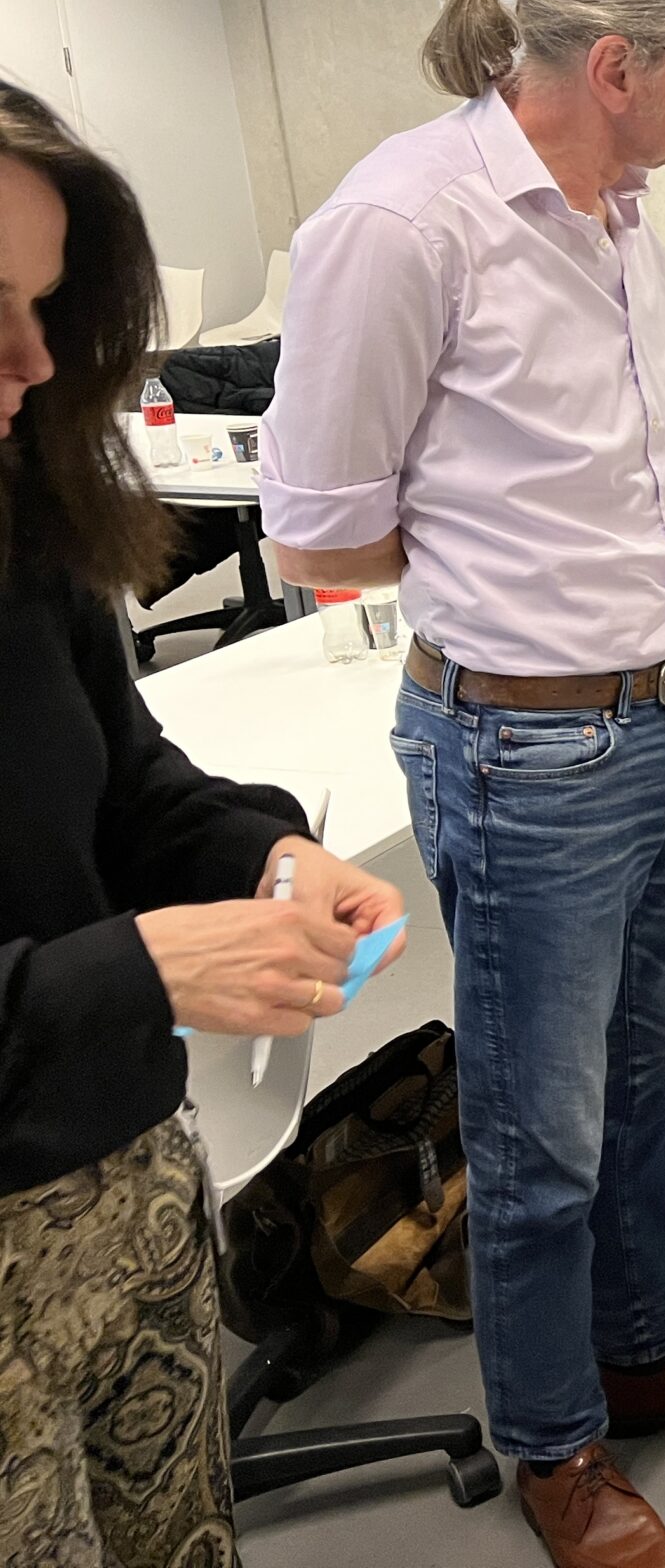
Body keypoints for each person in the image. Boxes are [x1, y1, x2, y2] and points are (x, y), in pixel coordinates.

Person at [259, 0, 665, 1566]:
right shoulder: (406, 221)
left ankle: (642, 1347)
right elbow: (315, 533)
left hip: (650, 724)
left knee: (657, 1078)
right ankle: (556, 1443)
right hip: (521, 748)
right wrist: (499, 577)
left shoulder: (613, 203)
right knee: (537, 1134)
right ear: (611, 61)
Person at [0, 84, 406, 1568]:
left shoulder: (25, 522)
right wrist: (143, 970)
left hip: (122, 1190)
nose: (35, 361)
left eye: (46, 307)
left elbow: (128, 788)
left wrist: (267, 852)